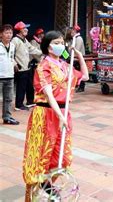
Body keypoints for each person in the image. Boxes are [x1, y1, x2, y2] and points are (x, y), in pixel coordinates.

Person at [22, 30, 88, 199]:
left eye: (62, 42)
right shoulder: (43, 66)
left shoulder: (66, 66)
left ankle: (48, 187)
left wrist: (79, 55)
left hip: (63, 113)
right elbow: (49, 94)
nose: (61, 46)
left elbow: (85, 76)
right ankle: (46, 191)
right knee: (41, 157)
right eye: (57, 43)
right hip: (45, 114)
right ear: (48, 47)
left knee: (63, 158)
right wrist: (60, 116)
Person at [12, 21, 42, 110]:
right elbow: (10, 54)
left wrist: (43, 52)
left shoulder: (25, 40)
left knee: (29, 85)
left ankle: (30, 101)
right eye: (24, 28)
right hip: (21, 68)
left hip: (27, 67)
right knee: (21, 87)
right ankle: (19, 105)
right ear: (19, 30)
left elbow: (32, 49)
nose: (26, 29)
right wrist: (15, 64)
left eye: (26, 28)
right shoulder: (15, 40)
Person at [0, 25, 19, 125]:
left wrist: (15, 64)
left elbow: (11, 58)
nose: (9, 35)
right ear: (1, 34)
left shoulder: (13, 46)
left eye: (10, 33)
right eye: (6, 33)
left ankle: (7, 117)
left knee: (8, 98)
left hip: (10, 76)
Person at [65, 25, 86, 92]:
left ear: (75, 31)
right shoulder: (74, 38)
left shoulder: (79, 38)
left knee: (80, 72)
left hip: (78, 59)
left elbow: (76, 50)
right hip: (74, 58)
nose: (71, 32)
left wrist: (70, 50)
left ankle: (81, 86)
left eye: (72, 30)